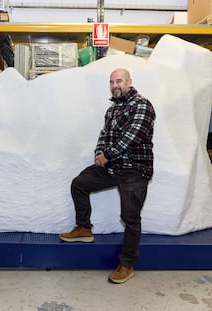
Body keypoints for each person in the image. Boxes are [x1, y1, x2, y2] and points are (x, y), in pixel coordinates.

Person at [59, 68, 156, 284]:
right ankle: (84, 228)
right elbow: (104, 135)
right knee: (80, 184)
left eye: (119, 81)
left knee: (130, 217)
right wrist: (98, 153)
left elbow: (133, 136)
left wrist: (107, 155)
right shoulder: (112, 109)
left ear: (129, 82)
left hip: (134, 169)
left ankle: (127, 264)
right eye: (111, 82)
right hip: (113, 166)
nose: (115, 85)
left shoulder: (142, 104)